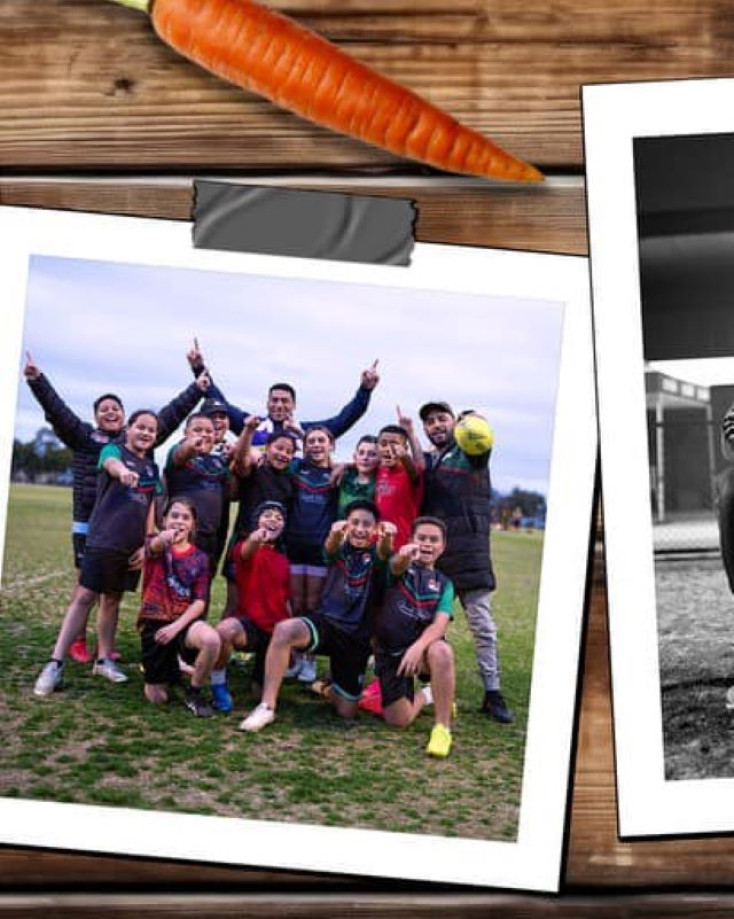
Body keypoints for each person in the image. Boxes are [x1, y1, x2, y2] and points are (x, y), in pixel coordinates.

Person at [23, 350, 210, 663]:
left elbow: (171, 413)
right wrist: (38, 381)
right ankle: (78, 641)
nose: (110, 412)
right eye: (104, 409)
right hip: (90, 521)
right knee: (86, 586)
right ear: (96, 416)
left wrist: (197, 386)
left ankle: (104, 650)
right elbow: (58, 411)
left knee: (111, 592)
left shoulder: (139, 440)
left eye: (116, 408)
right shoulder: (85, 436)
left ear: (125, 417)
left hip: (129, 525)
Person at [33, 410, 164, 696]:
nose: (146, 433)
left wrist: (146, 544)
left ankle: (104, 660)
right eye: (141, 427)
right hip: (103, 540)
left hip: (131, 549)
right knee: (84, 597)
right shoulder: (112, 450)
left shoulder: (152, 469)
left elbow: (151, 510)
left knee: (112, 601)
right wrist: (124, 472)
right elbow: (112, 464)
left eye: (152, 430)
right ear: (129, 429)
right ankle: (55, 662)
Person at [238, 501, 396, 732]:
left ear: (375, 529)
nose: (360, 529)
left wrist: (387, 538)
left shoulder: (378, 555)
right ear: (345, 525)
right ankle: (267, 706)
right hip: (327, 624)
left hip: (355, 639)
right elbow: (330, 548)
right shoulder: (339, 549)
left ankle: (324, 687)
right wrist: (334, 533)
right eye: (355, 523)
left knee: (346, 712)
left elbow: (385, 553)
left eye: (366, 524)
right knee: (285, 630)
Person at [419, 401, 513, 723]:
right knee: (430, 625)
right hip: (439, 558)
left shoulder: (470, 452)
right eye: (429, 422)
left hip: (471, 557)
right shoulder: (430, 460)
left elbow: (479, 433)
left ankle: (493, 692)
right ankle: (431, 683)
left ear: (454, 422)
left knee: (483, 628)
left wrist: (471, 418)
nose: (435, 425)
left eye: (441, 418)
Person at [186, 338, 381, 441]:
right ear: (267, 403)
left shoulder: (307, 432)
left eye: (285, 401)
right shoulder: (253, 425)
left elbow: (344, 419)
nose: (279, 405)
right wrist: (199, 369)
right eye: (274, 400)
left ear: (294, 405)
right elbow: (221, 404)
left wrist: (365, 390)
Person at [374, 517, 456, 758]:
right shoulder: (398, 566)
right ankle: (431, 694)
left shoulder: (445, 584)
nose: (427, 544)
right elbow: (396, 566)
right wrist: (403, 556)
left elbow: (440, 624)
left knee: (441, 651)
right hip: (391, 652)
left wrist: (418, 647)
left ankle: (442, 728)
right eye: (422, 538)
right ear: (411, 541)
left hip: (421, 653)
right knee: (399, 720)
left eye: (434, 540)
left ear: (443, 546)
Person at [136, 497, 220, 717]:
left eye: (185, 517)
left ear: (193, 524)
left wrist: (177, 626)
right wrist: (162, 539)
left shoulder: (201, 558)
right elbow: (153, 547)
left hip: (183, 625)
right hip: (155, 624)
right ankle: (171, 667)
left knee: (212, 639)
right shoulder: (154, 543)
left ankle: (194, 691)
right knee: (158, 698)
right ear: (164, 520)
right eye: (174, 516)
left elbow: (200, 602)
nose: (179, 522)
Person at [210, 501, 292, 713]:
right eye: (267, 515)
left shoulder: (284, 559)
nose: (273, 519)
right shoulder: (244, 549)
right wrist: (255, 538)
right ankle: (218, 683)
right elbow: (248, 549)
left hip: (275, 633)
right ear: (256, 521)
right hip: (250, 627)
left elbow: (288, 601)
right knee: (224, 631)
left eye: (279, 517)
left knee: (259, 694)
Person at [223, 417, 296, 615]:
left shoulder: (291, 480)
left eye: (289, 452)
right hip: (244, 543)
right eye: (279, 448)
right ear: (267, 447)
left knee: (268, 608)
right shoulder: (256, 470)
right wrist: (248, 430)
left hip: (272, 553)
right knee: (234, 607)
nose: (283, 454)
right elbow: (240, 460)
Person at [284, 424, 339, 683]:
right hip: (294, 545)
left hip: (320, 547)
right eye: (311, 442)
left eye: (321, 440)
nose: (316, 445)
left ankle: (310, 659)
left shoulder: (338, 474)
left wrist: (346, 465)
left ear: (331, 445)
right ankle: (295, 656)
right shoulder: (297, 469)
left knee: (314, 604)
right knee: (296, 604)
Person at [164, 411, 233, 575]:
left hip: (211, 538)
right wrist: (191, 444)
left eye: (209, 431)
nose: (204, 435)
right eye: (197, 430)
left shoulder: (218, 462)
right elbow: (180, 454)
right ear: (185, 433)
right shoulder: (178, 453)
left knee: (202, 593)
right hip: (184, 536)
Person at [374, 411, 424, 549]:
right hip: (376, 545)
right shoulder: (378, 471)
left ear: (405, 448)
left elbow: (415, 469)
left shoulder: (409, 473)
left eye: (394, 444)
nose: (388, 448)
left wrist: (405, 457)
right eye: (383, 443)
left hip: (401, 545)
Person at [335, 434, 379, 518]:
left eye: (372, 454)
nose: (365, 458)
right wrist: (345, 465)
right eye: (361, 453)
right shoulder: (346, 475)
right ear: (355, 456)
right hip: (340, 529)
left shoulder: (380, 481)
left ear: (379, 459)